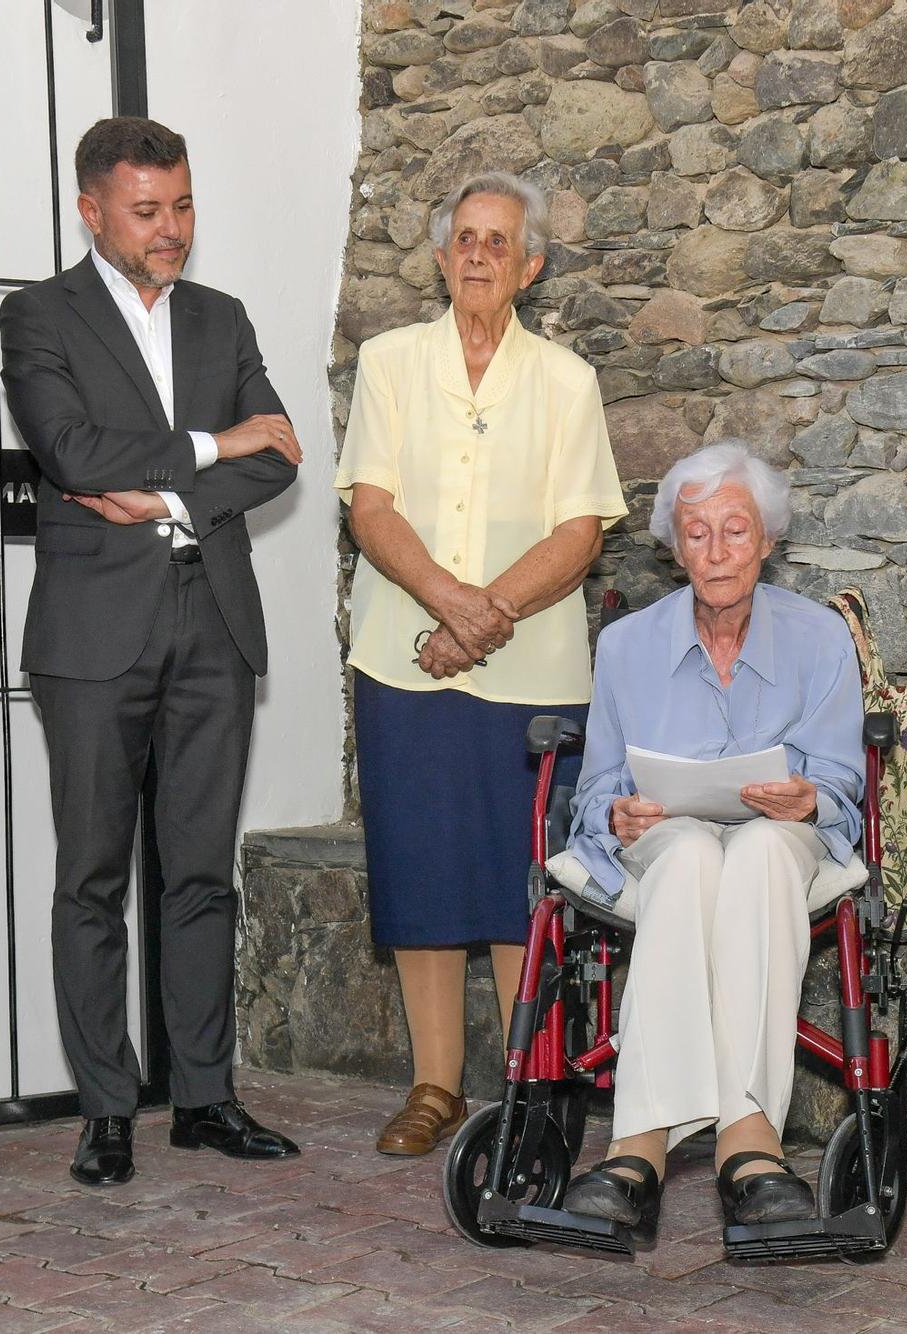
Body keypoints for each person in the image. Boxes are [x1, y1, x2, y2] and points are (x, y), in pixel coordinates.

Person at [0, 117, 302, 1186]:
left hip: (212, 618)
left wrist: (165, 488)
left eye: (180, 205)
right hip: (92, 633)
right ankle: (107, 1109)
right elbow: (70, 448)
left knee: (201, 874)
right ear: (91, 210)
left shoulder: (221, 318)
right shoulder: (37, 314)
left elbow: (286, 458)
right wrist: (217, 445)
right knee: (92, 876)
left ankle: (206, 1097)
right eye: (145, 210)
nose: (169, 229)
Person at [334, 171, 625, 1155]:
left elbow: (580, 527)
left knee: (521, 880)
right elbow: (369, 506)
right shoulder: (388, 361)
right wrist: (450, 605)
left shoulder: (564, 381)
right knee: (419, 873)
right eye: (463, 237)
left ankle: (527, 1081)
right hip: (402, 655)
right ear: (438, 253)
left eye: (497, 242)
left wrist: (485, 612)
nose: (476, 254)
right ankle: (432, 1087)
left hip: (529, 670)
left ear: (530, 266)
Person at [557, 441, 866, 1239]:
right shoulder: (627, 646)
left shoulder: (821, 638)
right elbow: (598, 786)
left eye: (736, 530)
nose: (717, 551)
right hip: (668, 840)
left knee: (758, 853)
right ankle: (645, 1142)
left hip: (779, 838)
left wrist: (807, 799)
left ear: (768, 539)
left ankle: (745, 1137)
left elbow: (840, 780)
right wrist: (618, 813)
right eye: (697, 534)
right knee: (692, 853)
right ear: (674, 546)